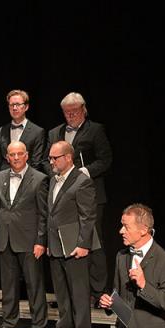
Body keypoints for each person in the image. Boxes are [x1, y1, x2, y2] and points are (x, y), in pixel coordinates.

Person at [48, 93, 113, 294]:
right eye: (66, 112)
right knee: (64, 239)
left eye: (74, 111)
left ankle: (98, 290)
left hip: (89, 192)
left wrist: (85, 171)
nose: (70, 115)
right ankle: (74, 289)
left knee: (92, 240)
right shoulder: (55, 132)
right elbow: (46, 161)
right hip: (63, 195)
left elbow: (105, 160)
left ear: (84, 109)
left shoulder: (95, 130)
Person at [41, 141, 101, 328]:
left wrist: (83, 244)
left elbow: (88, 216)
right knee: (61, 293)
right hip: (56, 245)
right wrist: (48, 243)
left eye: (54, 158)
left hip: (75, 247)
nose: (51, 162)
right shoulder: (54, 180)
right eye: (50, 158)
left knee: (79, 292)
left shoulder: (82, 181)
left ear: (68, 157)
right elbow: (51, 214)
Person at [0, 141, 48, 328]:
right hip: (5, 238)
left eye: (19, 154)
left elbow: (43, 214)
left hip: (29, 240)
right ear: (7, 157)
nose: (15, 158)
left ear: (26, 155)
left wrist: (40, 241)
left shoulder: (39, 179)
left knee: (34, 285)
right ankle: (9, 323)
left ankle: (38, 326)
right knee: (8, 284)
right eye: (12, 154)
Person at [0, 89, 48, 182]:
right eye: (12, 105)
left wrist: (26, 185)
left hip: (27, 183)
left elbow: (36, 163)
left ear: (26, 107)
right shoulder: (0, 132)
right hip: (4, 183)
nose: (14, 108)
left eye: (18, 104)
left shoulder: (37, 132)